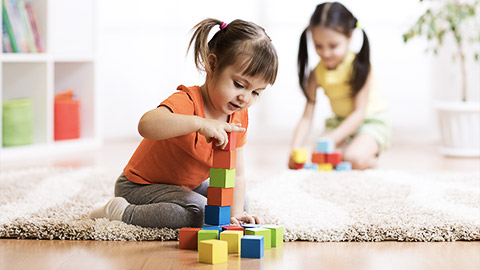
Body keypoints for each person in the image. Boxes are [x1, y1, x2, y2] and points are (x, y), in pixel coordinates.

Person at [90, 18, 278, 228]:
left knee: (240, 201)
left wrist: (235, 216)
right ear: (212, 64)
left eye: (255, 92)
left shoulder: (239, 116)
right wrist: (199, 124)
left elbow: (238, 173)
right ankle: (121, 211)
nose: (245, 98)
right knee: (201, 213)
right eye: (239, 85)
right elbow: (146, 124)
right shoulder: (188, 101)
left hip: (187, 186)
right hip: (141, 186)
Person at [289, 2, 391, 170]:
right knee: (318, 156)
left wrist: (333, 138)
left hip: (369, 122)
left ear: (349, 36)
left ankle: (370, 160)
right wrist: (294, 149)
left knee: (353, 158)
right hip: (340, 123)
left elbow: (359, 114)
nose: (326, 53)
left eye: (333, 46)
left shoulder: (360, 66)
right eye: (318, 46)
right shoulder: (317, 74)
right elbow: (307, 116)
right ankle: (349, 154)